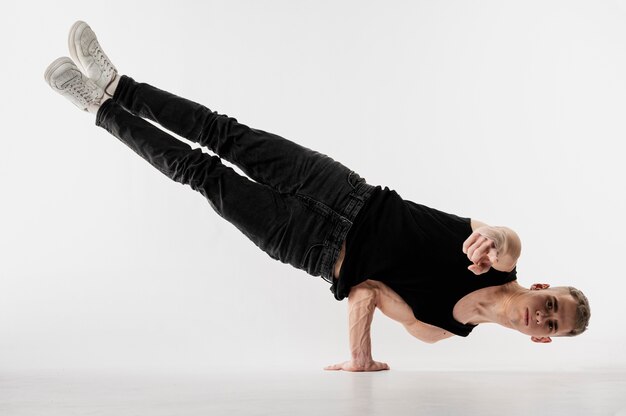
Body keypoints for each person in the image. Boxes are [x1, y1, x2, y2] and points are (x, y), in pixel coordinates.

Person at [45, 21, 591, 372]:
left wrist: (360, 357)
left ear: (543, 342)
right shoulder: (503, 259)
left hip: (310, 249)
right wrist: (491, 238)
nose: (542, 317)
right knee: (223, 132)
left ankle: (99, 108)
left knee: (199, 172)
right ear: (541, 288)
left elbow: (365, 294)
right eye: (551, 305)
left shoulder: (437, 331)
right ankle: (120, 85)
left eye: (552, 325)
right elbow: (504, 237)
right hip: (346, 192)